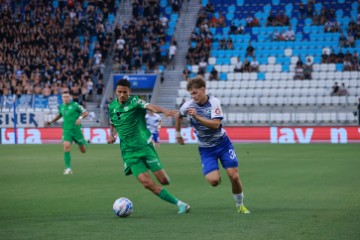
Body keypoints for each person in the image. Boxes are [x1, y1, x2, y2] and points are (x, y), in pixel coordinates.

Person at [107, 79, 190, 214]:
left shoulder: (135, 102)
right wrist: (112, 135)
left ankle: (156, 172)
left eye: (125, 92)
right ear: (116, 92)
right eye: (119, 92)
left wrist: (165, 111)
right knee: (147, 184)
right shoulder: (112, 107)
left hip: (144, 147)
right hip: (129, 153)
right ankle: (180, 204)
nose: (122, 95)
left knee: (164, 180)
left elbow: (151, 107)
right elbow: (113, 123)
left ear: (130, 92)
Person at [174, 76, 250, 214]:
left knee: (234, 176)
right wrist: (178, 134)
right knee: (214, 181)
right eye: (191, 93)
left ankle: (240, 205)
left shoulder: (214, 102)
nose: (193, 96)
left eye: (195, 92)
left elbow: (216, 125)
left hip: (223, 144)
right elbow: (178, 115)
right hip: (206, 149)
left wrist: (197, 117)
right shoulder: (188, 105)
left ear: (203, 89)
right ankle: (217, 173)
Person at [45, 91, 89, 175]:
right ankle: (68, 168)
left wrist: (80, 118)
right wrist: (50, 122)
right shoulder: (61, 107)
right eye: (64, 97)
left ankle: (84, 141)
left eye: (67, 97)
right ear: (62, 98)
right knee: (66, 146)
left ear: (70, 98)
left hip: (76, 130)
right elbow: (59, 115)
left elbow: (86, 113)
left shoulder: (75, 105)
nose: (66, 98)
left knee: (83, 150)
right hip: (67, 130)